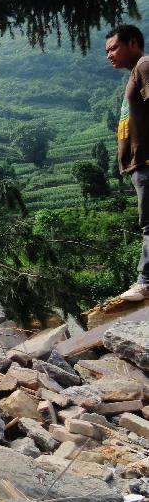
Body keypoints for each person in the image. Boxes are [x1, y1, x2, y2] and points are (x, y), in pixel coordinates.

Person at [107, 25, 149, 301]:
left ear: (133, 43)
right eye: (107, 50)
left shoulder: (145, 66)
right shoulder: (136, 72)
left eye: (114, 48)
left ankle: (146, 280)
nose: (109, 55)